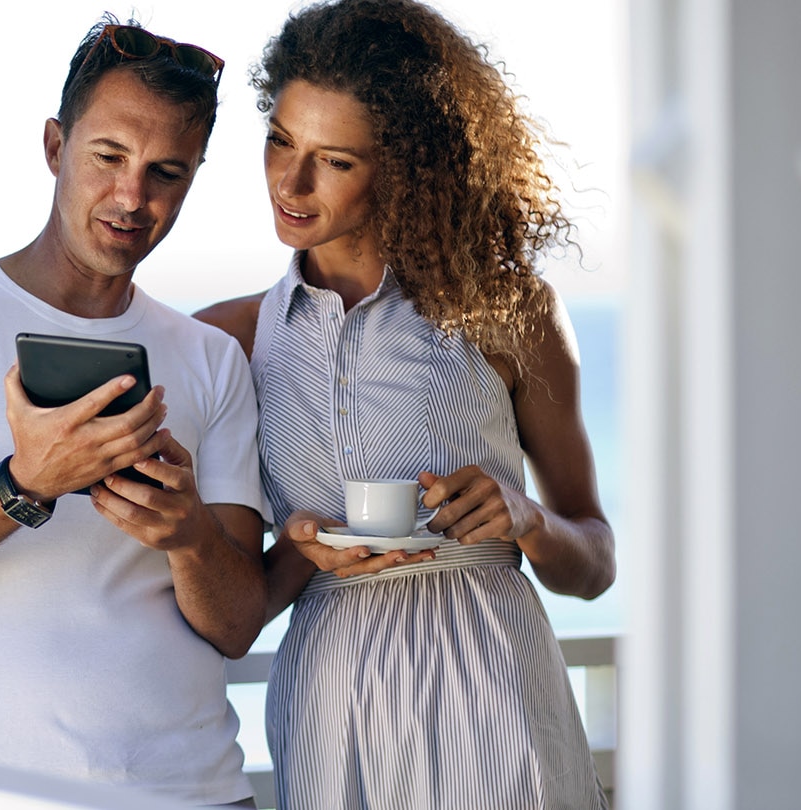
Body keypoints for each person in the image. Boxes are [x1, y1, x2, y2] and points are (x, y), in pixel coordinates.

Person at [0, 16, 270, 807]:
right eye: (108, 156)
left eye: (167, 171)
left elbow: (237, 626)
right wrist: (24, 484)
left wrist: (189, 534)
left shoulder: (211, 358)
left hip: (196, 792)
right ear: (53, 147)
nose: (133, 196)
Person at [193, 1, 615, 807]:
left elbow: (595, 561)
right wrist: (296, 549)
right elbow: (216, 577)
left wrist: (526, 519)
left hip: (496, 687)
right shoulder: (228, 339)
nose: (291, 181)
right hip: (331, 700)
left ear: (404, 166)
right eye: (280, 140)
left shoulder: (507, 314)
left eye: (335, 160)